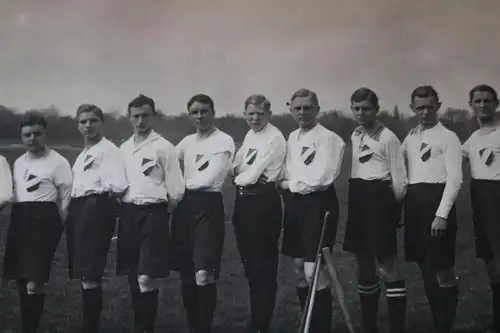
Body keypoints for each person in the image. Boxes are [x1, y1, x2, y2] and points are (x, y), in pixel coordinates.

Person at [118, 94, 185, 332]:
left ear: (153, 116)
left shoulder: (164, 147)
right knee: (133, 276)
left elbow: (176, 189)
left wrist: (162, 212)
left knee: (146, 277)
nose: (140, 121)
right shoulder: (124, 148)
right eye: (135, 116)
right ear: (129, 118)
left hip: (153, 214)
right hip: (128, 214)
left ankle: (146, 329)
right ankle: (141, 326)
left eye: (145, 115)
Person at [279, 88, 345, 333]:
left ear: (317, 109)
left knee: (312, 271)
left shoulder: (330, 139)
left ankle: (320, 328)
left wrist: (290, 185)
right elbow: (285, 172)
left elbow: (322, 179)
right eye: (297, 108)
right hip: (295, 205)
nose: (302, 112)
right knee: (298, 268)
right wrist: (288, 186)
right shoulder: (292, 137)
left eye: (307, 107)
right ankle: (308, 322)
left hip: (319, 204)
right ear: (291, 110)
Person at [343, 88, 408, 333]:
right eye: (356, 108)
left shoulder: (388, 138)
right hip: (358, 196)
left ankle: (396, 327)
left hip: (380, 199)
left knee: (386, 263)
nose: (361, 113)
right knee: (363, 262)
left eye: (366, 108)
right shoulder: (356, 134)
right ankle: (369, 325)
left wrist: (394, 211)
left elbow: (400, 181)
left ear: (376, 109)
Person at [2, 112, 72, 333]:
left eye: (37, 134)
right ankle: (27, 327)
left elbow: (67, 196)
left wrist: (59, 223)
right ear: (22, 137)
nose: (32, 138)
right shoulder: (19, 162)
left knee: (34, 282)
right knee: (21, 281)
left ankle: (31, 328)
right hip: (20, 218)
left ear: (46, 134)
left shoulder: (58, 162)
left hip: (44, 220)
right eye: (27, 135)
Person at [171, 94, 235, 333]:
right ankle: (193, 327)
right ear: (190, 115)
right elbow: (168, 161)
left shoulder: (224, 141)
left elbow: (213, 176)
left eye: (204, 111)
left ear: (213, 112)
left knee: (203, 273)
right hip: (184, 207)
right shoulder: (187, 142)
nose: (199, 116)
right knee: (187, 274)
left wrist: (183, 184)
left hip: (208, 205)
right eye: (195, 112)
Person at [402, 85, 462, 332]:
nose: (424, 112)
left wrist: (441, 214)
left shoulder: (448, 137)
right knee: (424, 266)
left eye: (429, 107)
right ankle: (437, 321)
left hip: (437, 203)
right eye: (419, 108)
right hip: (414, 204)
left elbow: (455, 179)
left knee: (442, 268)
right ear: (412, 109)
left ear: (438, 106)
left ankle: (443, 326)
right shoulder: (410, 137)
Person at [66, 104, 128, 333]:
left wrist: (100, 205)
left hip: (96, 207)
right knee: (84, 272)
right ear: (78, 125)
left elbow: (118, 185)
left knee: (90, 272)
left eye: (93, 120)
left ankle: (90, 327)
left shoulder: (109, 150)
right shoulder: (83, 154)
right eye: (83, 122)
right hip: (79, 208)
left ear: (102, 123)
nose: (88, 125)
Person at [231, 94, 287, 333]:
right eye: (250, 114)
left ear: (269, 115)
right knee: (251, 267)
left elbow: (249, 176)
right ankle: (257, 321)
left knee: (263, 268)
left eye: (260, 114)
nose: (255, 118)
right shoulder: (250, 135)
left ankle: (261, 325)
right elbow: (234, 166)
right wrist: (241, 174)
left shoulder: (274, 138)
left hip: (263, 203)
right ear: (245, 114)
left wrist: (240, 175)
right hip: (243, 203)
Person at [462, 84, 500, 333]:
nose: (483, 105)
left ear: (496, 103)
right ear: (471, 105)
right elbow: (454, 159)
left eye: (488, 101)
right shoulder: (474, 138)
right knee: (491, 261)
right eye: (478, 101)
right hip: (481, 198)